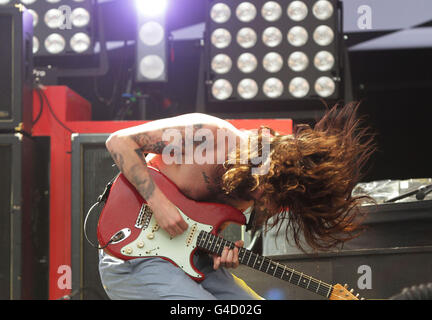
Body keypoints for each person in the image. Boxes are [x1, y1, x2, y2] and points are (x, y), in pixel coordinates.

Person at [98, 103, 375, 300]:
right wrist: (159, 203)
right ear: (269, 165)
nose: (262, 201)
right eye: (267, 191)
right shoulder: (211, 135)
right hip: (133, 254)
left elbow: (194, 231)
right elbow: (119, 142)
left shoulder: (253, 191)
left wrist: (220, 253)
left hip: (184, 260)